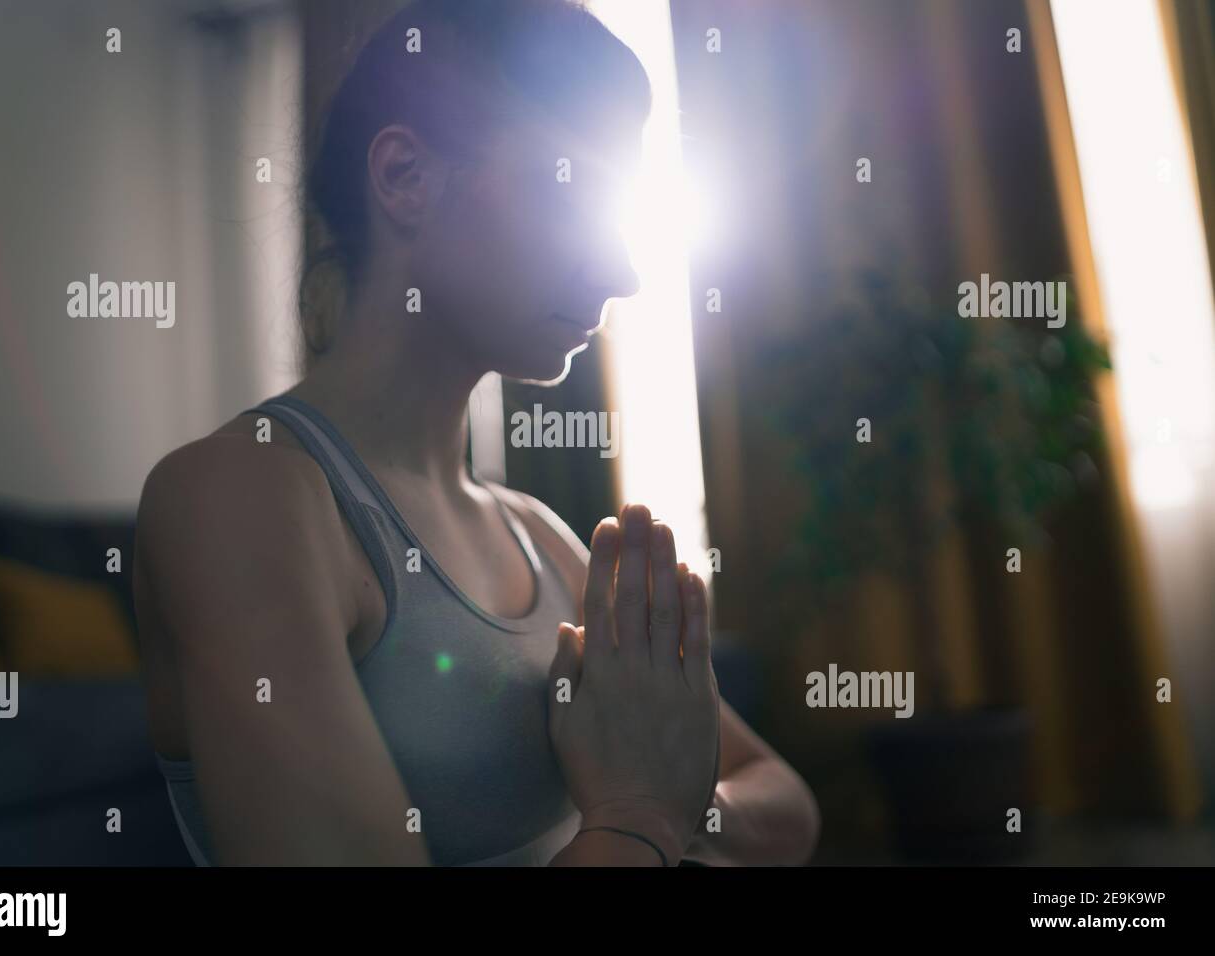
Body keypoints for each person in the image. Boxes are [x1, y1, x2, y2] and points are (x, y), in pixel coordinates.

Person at [133, 0, 819, 866]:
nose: (623, 271)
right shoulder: (240, 495)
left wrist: (681, 805)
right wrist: (641, 813)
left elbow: (787, 806)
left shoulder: (540, 536)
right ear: (407, 177)